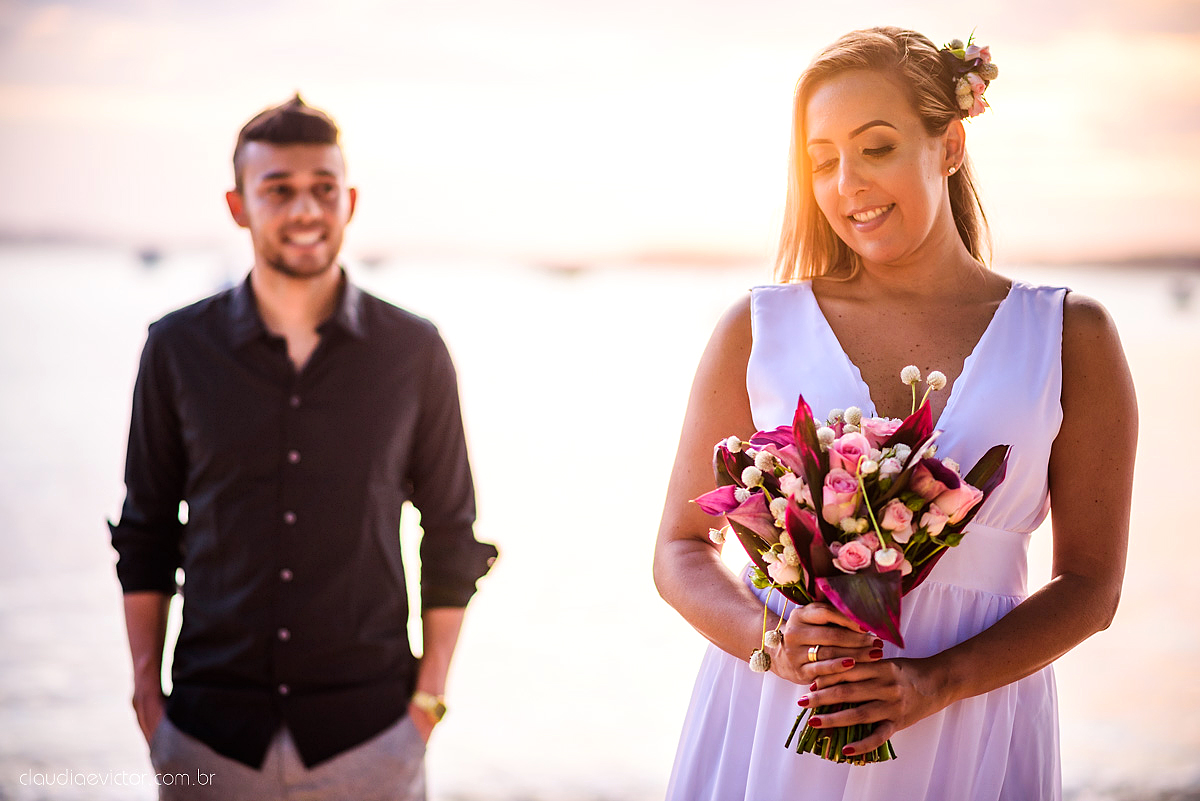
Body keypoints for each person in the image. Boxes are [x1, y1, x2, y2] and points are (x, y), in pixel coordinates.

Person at [653, 27, 1136, 801]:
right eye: (822, 160)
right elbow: (679, 549)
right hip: (779, 716)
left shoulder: (1072, 336)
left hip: (973, 722)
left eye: (876, 147)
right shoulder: (758, 328)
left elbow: (1091, 585)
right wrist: (770, 641)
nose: (847, 183)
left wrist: (936, 682)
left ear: (949, 145)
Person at [109, 95, 497, 800]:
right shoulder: (175, 349)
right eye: (278, 190)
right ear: (238, 205)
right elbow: (146, 531)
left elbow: (451, 535)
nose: (305, 210)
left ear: (348, 201)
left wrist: (427, 702)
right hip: (209, 736)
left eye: (323, 189)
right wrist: (146, 695)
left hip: (371, 736)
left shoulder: (413, 351)